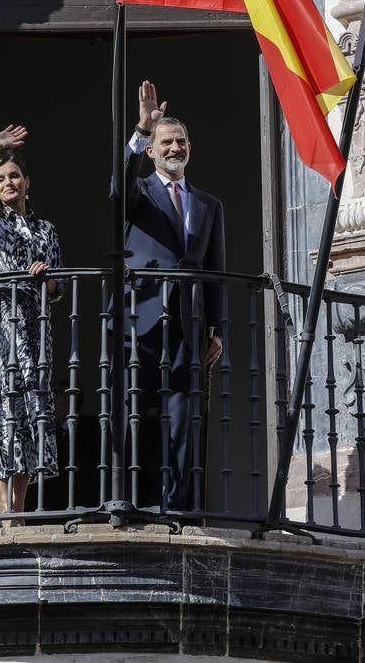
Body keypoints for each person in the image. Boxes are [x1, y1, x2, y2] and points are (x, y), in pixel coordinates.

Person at [123, 81, 226, 511]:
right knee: (129, 418)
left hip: (190, 326)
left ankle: (177, 507)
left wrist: (219, 329)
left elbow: (216, 271)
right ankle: (124, 503)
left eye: (181, 140)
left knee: (185, 421)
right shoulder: (138, 193)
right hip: (140, 321)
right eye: (166, 141)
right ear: (152, 150)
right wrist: (141, 130)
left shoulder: (208, 204)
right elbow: (117, 187)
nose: (175, 147)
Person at [0, 125, 62, 523]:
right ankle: (5, 510)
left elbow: (58, 287)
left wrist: (45, 277)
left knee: (28, 413)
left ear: (27, 182)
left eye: (14, 176)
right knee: (4, 412)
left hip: (36, 328)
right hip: (4, 325)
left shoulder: (46, 230)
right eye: (0, 179)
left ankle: (17, 511)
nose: (8, 183)